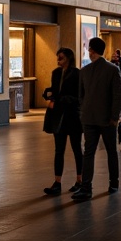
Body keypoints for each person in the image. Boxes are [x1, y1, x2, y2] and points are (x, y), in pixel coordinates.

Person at [75, 36, 121, 201]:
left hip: (92, 119)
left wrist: (84, 111)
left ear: (92, 50)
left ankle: (86, 188)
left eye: (89, 49)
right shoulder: (112, 69)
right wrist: (114, 116)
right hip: (105, 119)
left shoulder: (85, 71)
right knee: (111, 152)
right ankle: (113, 183)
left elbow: (81, 96)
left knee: (89, 153)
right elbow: (118, 96)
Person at [42, 47, 83, 196]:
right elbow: (54, 90)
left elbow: (79, 96)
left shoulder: (77, 74)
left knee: (76, 148)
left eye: (61, 58)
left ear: (69, 59)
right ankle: (57, 182)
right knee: (59, 150)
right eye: (58, 57)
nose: (58, 60)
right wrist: (48, 94)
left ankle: (80, 180)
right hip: (58, 115)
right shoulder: (56, 73)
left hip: (72, 116)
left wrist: (61, 99)